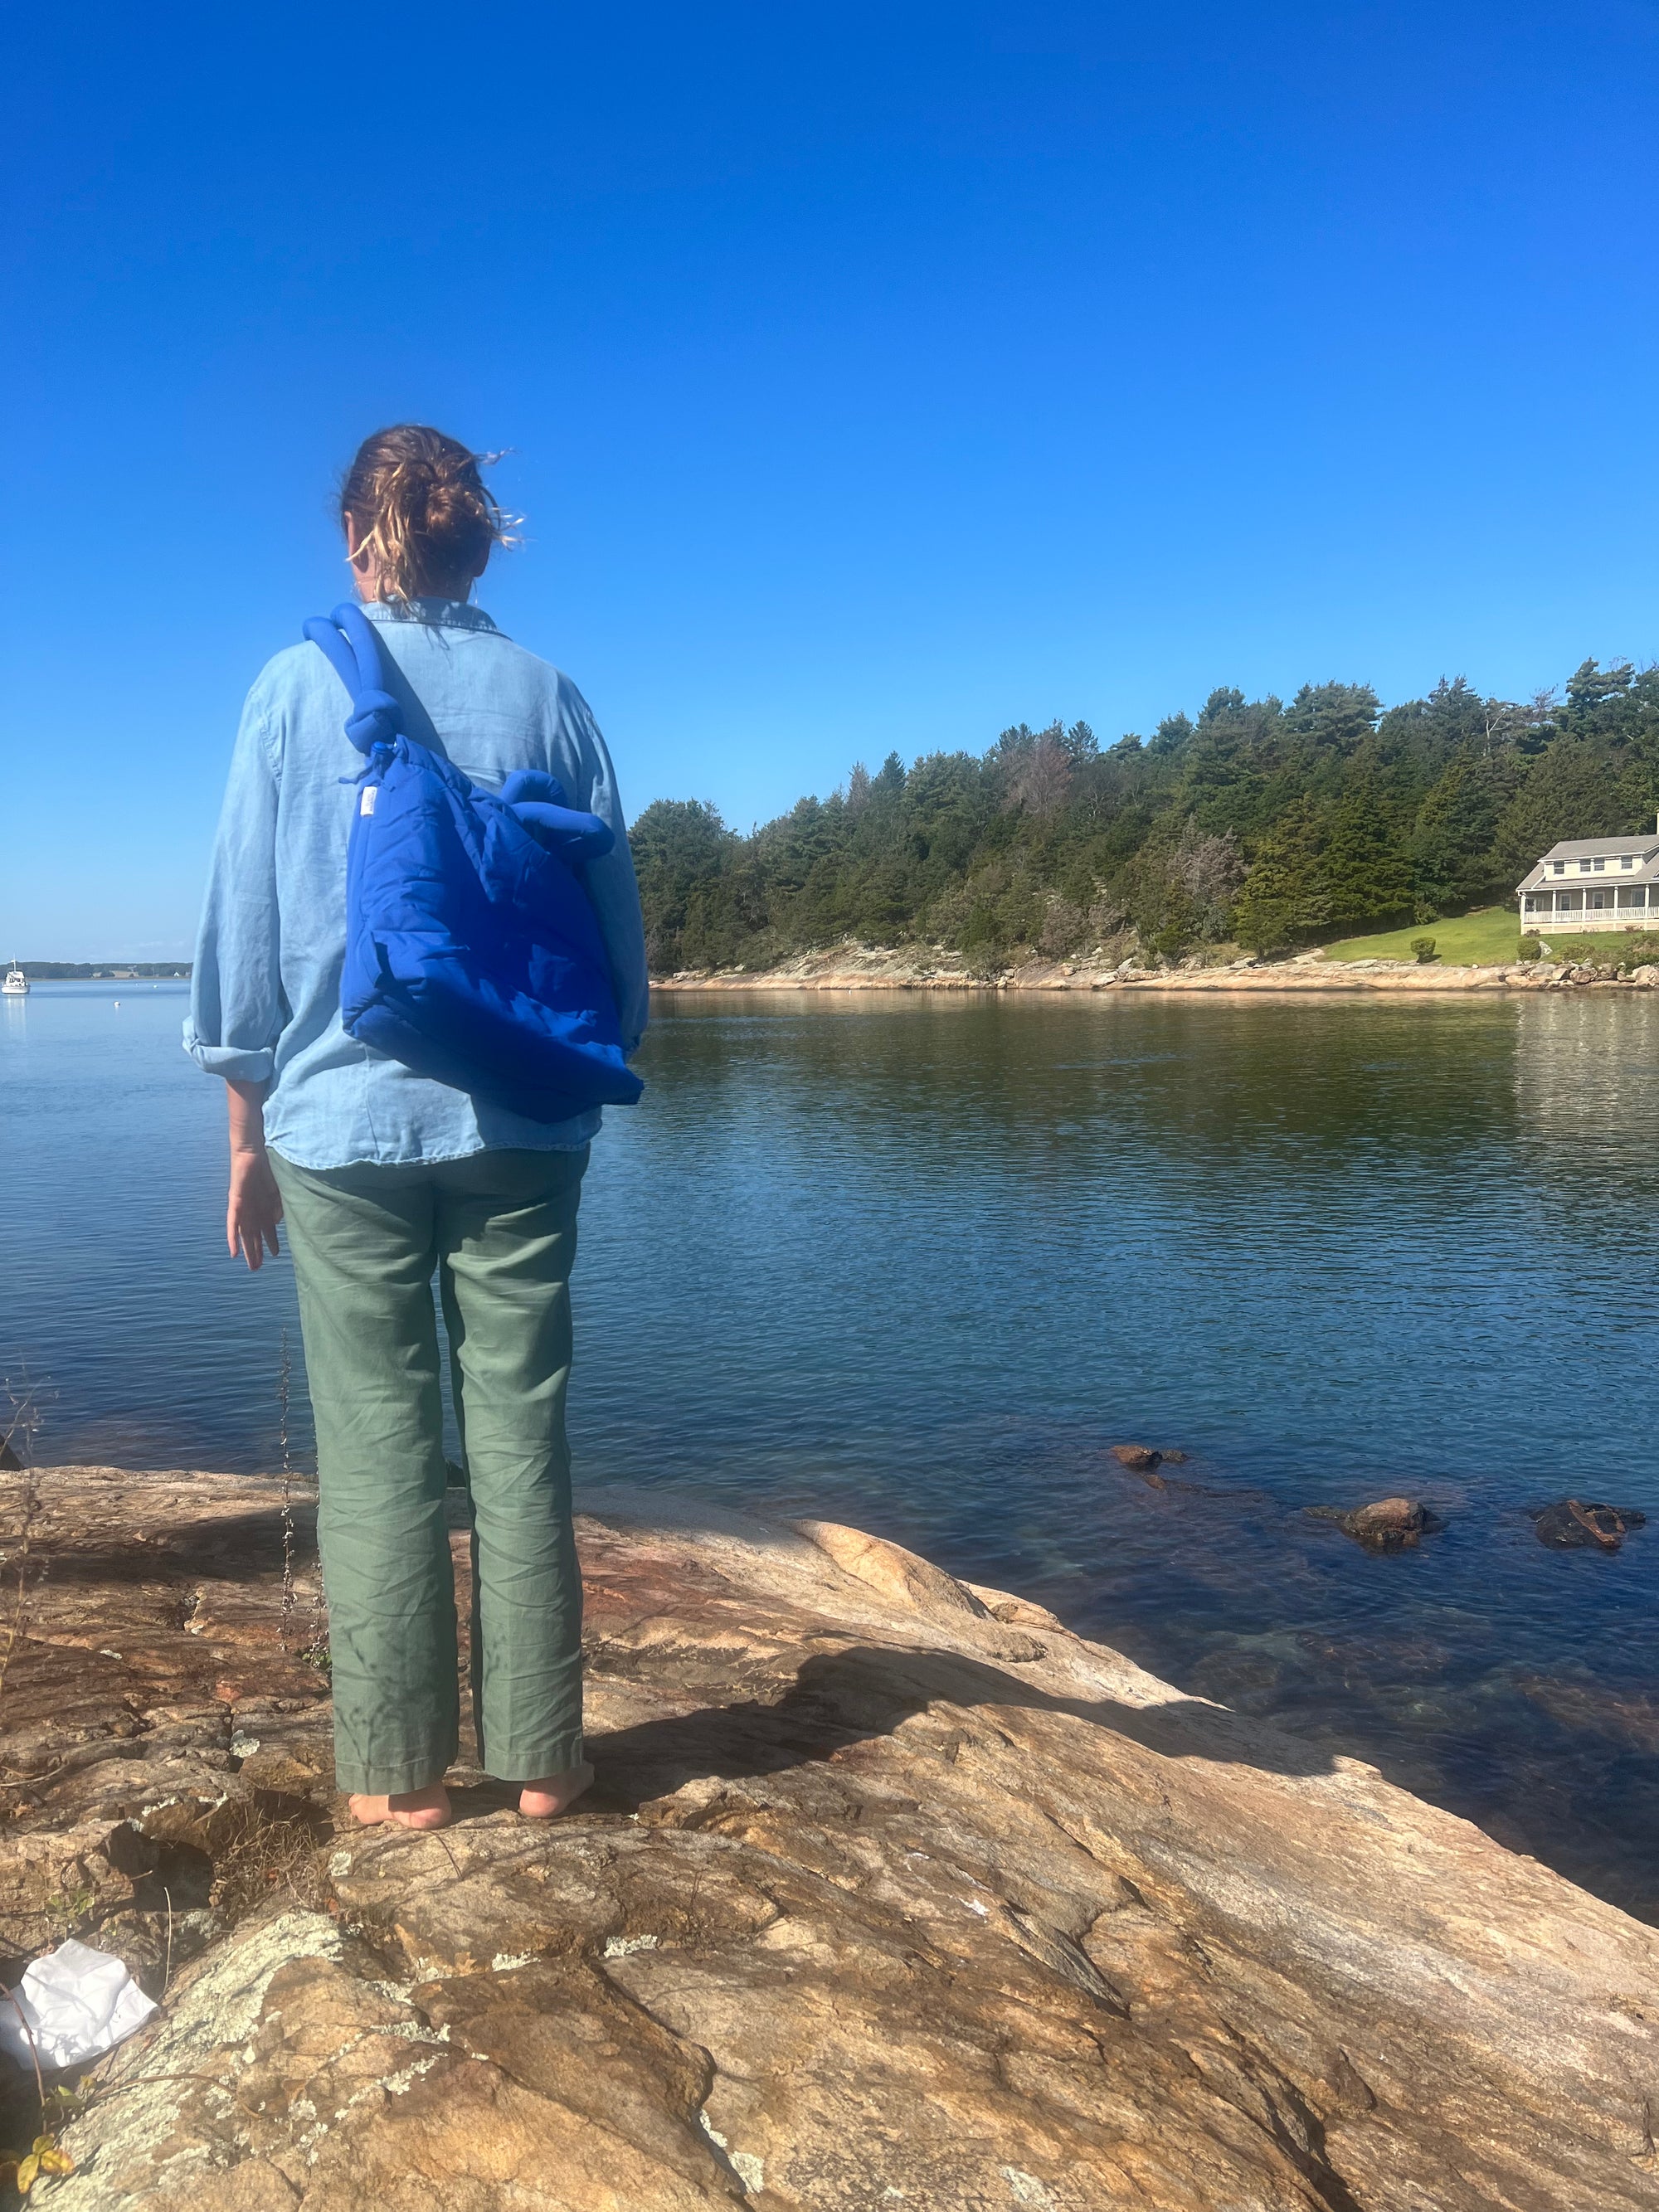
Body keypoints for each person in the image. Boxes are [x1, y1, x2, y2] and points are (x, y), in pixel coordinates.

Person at [186, 425, 649, 1832]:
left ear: (356, 540)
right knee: (521, 1428)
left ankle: (399, 1775)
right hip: (526, 1117)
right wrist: (598, 1067)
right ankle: (545, 1761)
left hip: (340, 1123)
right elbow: (613, 920)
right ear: (476, 538)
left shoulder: (291, 687)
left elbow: (244, 934)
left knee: (378, 1439)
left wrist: (244, 1133)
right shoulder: (551, 694)